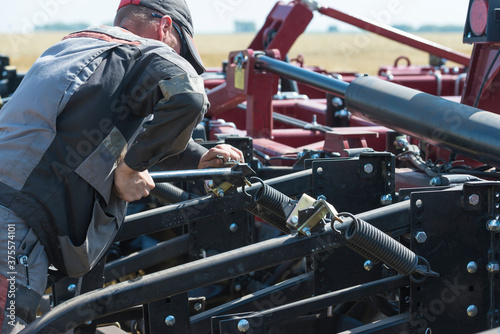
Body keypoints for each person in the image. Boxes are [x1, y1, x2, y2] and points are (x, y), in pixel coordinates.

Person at [0, 0, 243, 332]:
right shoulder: (143, 51)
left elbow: (109, 136)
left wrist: (199, 157)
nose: (178, 57)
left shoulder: (75, 49)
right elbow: (190, 95)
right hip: (13, 233)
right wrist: (128, 171)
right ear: (165, 28)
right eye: (179, 49)